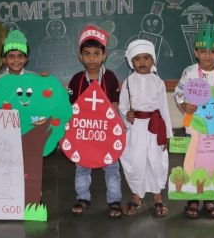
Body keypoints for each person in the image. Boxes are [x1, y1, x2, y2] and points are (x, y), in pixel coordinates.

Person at [174, 23, 214, 219]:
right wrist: (184, 105)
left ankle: (209, 197)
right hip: (195, 127)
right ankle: (192, 198)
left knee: (213, 162)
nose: (207, 55)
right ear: (196, 52)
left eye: (212, 51)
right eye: (203, 51)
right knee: (193, 161)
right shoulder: (189, 72)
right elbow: (178, 92)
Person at [68, 25, 123, 219]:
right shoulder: (76, 80)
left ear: (104, 55)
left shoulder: (110, 77)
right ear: (80, 56)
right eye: (87, 54)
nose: (92, 58)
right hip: (84, 134)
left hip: (106, 133)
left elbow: (114, 105)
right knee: (82, 167)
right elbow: (71, 108)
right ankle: (83, 197)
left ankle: (114, 200)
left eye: (96, 54)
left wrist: (116, 130)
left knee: (112, 168)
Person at [120, 39, 172, 218]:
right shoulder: (128, 82)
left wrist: (167, 135)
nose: (142, 62)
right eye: (137, 59)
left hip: (155, 128)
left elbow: (164, 109)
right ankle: (136, 196)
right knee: (136, 161)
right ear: (131, 62)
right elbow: (123, 105)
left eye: (146, 58)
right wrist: (127, 115)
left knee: (156, 161)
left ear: (153, 60)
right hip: (135, 129)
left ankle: (157, 197)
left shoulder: (158, 82)